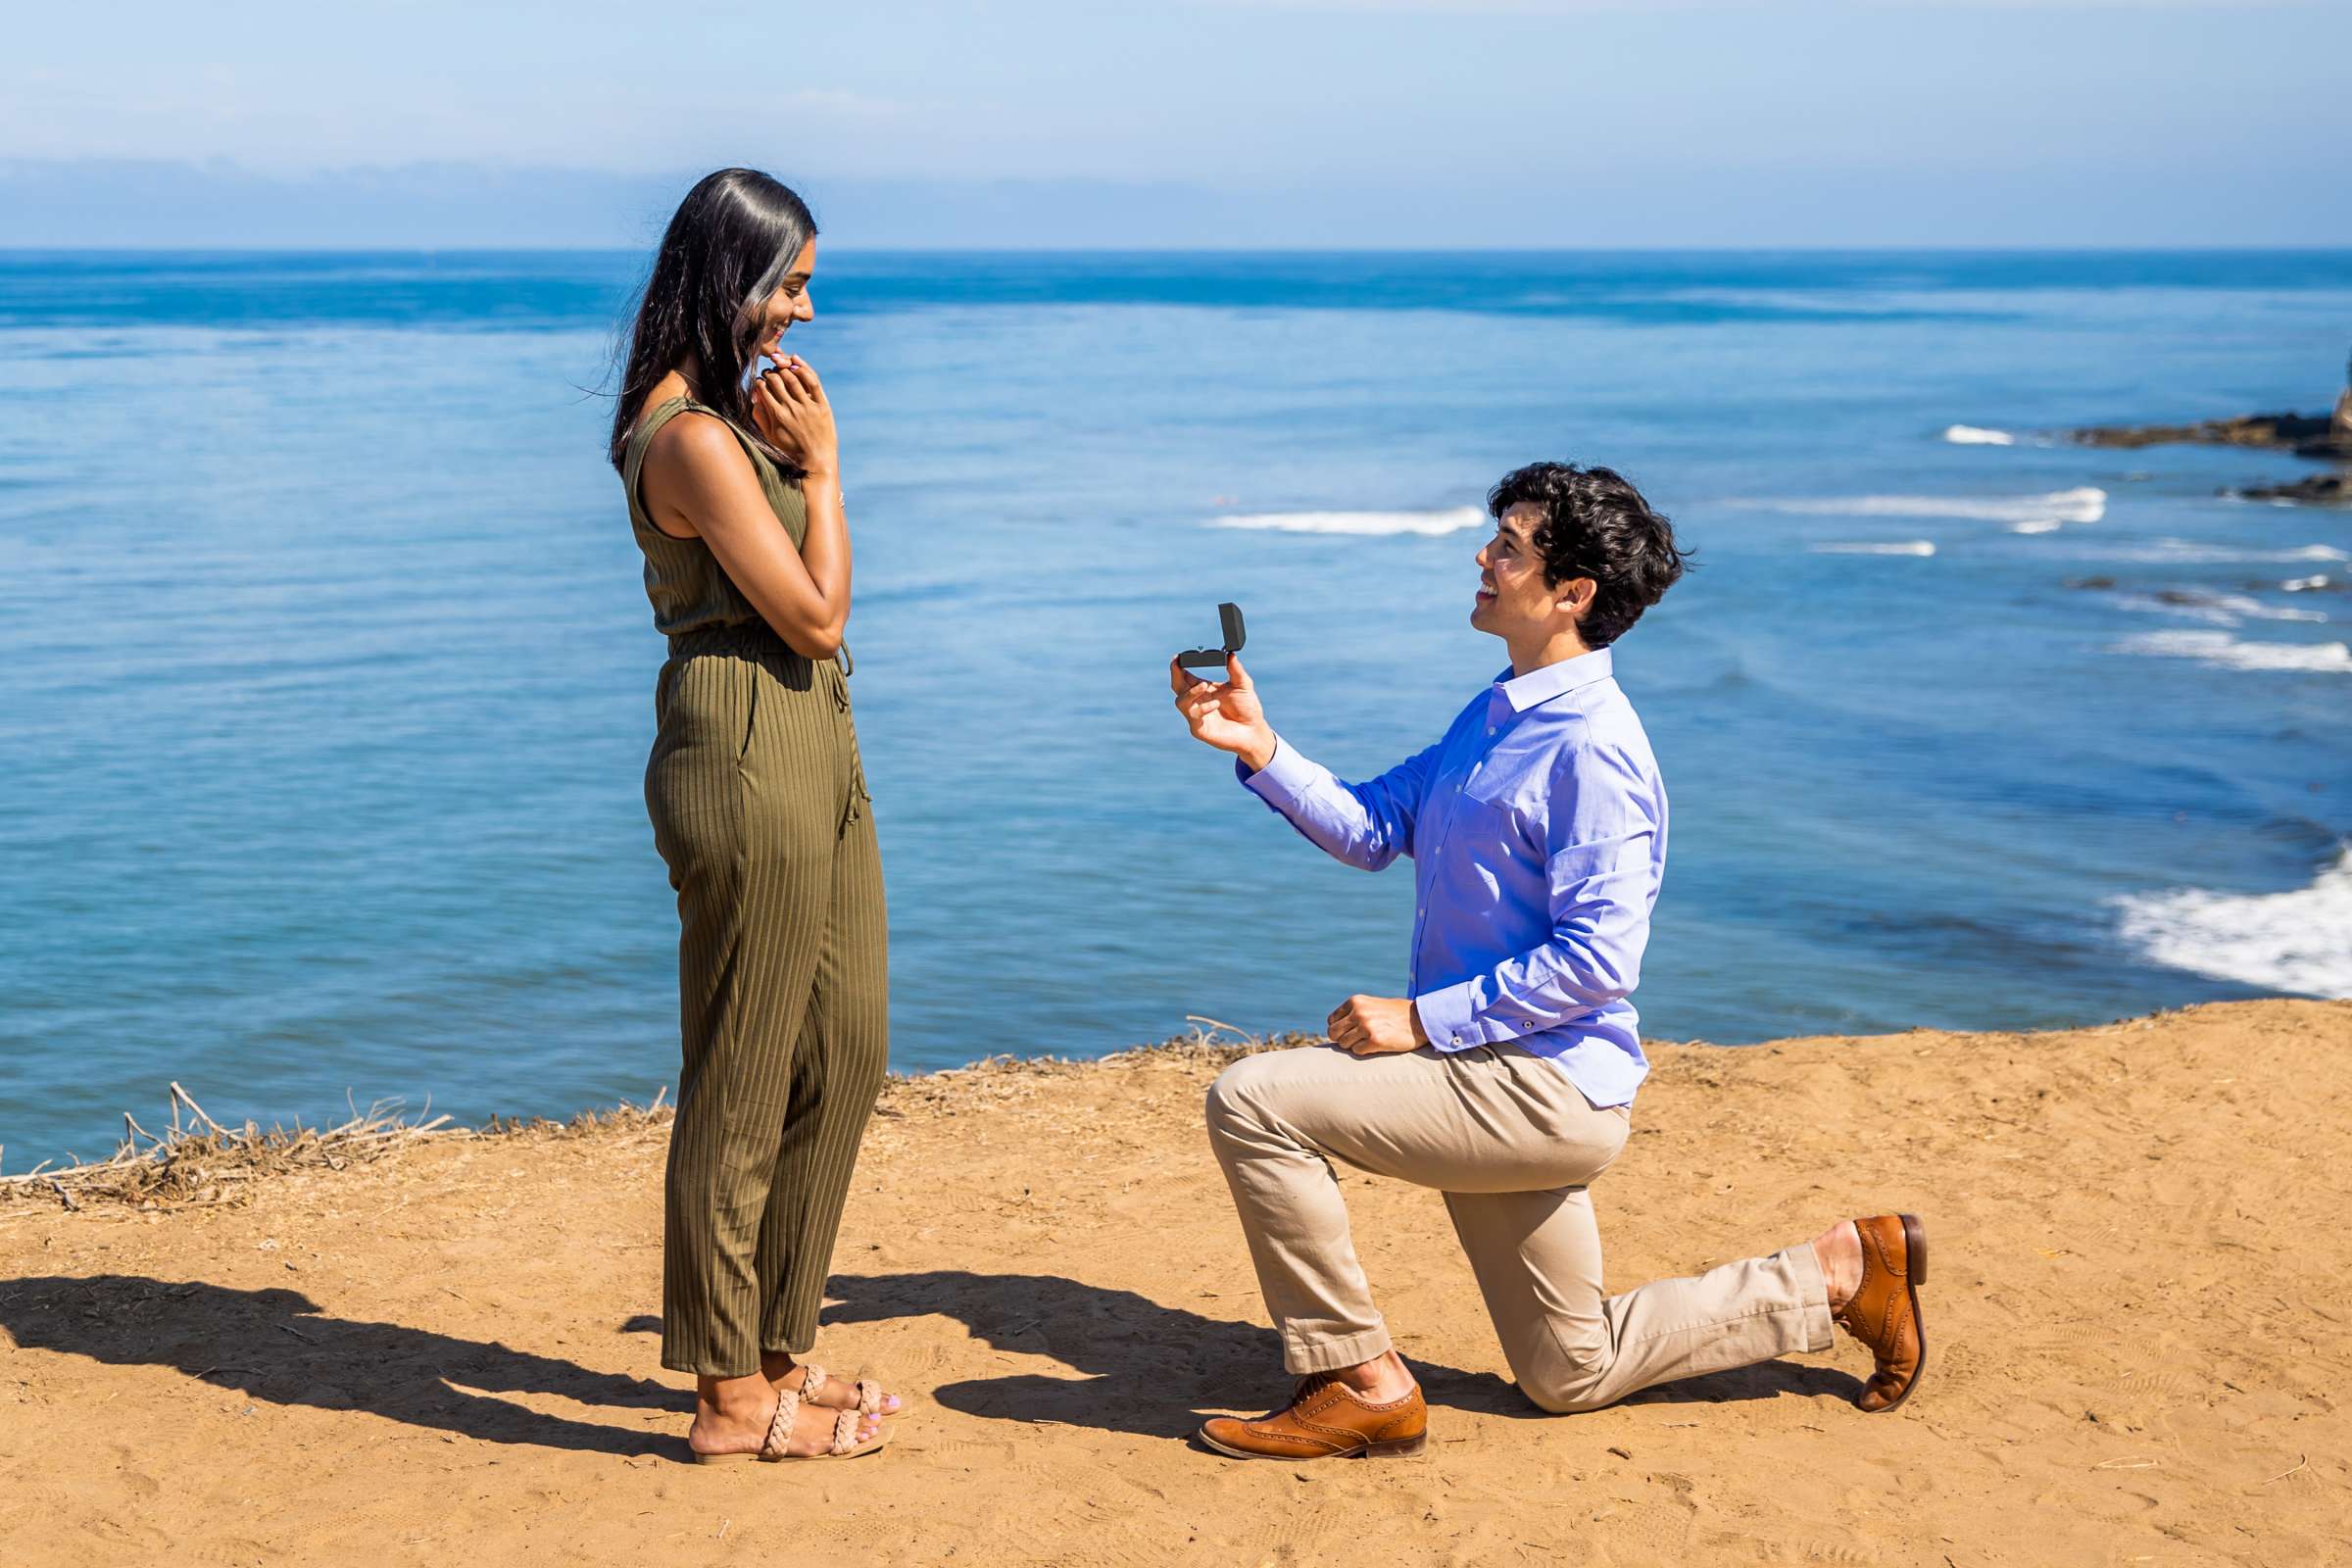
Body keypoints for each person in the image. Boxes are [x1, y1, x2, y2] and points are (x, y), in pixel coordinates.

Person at [1168, 463, 1926, 1460]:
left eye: (1510, 548)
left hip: (1541, 1087)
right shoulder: (1498, 710)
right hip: (1489, 1072)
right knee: (1570, 1371)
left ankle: (1355, 1375)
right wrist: (1263, 748)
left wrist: (1421, 1021)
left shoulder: (1595, 750)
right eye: (1496, 539)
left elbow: (1598, 961)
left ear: (1573, 594)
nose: (1484, 557)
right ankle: (1838, 1273)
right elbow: (1371, 825)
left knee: (1253, 1099)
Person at [610, 169, 896, 1463]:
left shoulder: (735, 424)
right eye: (792, 285)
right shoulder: (691, 440)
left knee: (844, 1049)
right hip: (742, 743)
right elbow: (818, 611)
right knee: (742, 1078)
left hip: (815, 732)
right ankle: (729, 1395)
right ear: (728, 280)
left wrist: (811, 470)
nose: (808, 314)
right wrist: (826, 472)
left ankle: (783, 1344)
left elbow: (823, 627)